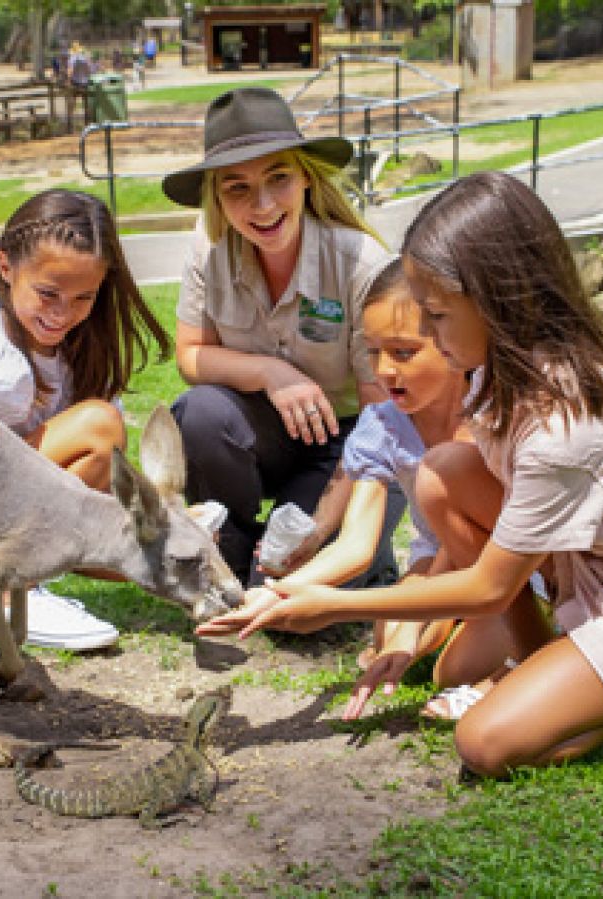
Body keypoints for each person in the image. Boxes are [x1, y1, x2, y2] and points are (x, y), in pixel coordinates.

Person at [199, 171, 603, 777]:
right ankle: (560, 669)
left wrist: (332, 606)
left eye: (435, 317)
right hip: (586, 565)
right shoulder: (493, 371)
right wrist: (308, 595)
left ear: (497, 301)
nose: (430, 336)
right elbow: (453, 543)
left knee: (485, 743)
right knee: (443, 473)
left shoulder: (560, 420)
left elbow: (490, 586)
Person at [243, 258, 551, 721]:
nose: (383, 371)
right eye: (372, 352)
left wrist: (408, 619)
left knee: (448, 670)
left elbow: (457, 538)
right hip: (442, 562)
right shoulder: (382, 425)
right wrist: (277, 593)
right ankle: (471, 633)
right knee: (399, 647)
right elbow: (356, 545)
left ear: (450, 346)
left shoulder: (484, 412)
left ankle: (541, 635)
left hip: (515, 562)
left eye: (403, 352)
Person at [0, 189, 172, 651]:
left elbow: (91, 500)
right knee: (98, 427)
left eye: (83, 297)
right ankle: (1, 594)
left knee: (140, 539)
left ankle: (22, 584)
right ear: (6, 267)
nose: (62, 313)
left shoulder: (81, 359)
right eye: (48, 293)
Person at [161, 86, 405, 589]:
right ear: (216, 198)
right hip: (259, 435)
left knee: (284, 592)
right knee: (200, 411)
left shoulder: (361, 263)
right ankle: (228, 545)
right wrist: (273, 374)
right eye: (237, 188)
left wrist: (321, 528)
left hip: (350, 442)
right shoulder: (207, 248)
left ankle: (362, 552)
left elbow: (383, 415)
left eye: (279, 178)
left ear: (307, 179)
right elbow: (190, 354)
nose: (263, 205)